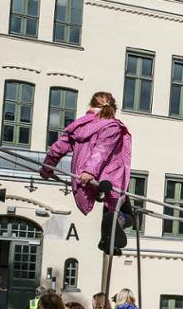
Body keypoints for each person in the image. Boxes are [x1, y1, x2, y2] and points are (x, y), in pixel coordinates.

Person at [39, 92, 133, 255]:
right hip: (106, 178)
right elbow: (101, 150)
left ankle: (107, 242)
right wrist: (90, 171)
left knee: (110, 212)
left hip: (83, 179)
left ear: (91, 106)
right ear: (113, 108)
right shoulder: (111, 126)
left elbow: (58, 148)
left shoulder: (78, 126)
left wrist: (47, 168)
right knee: (127, 214)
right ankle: (118, 221)